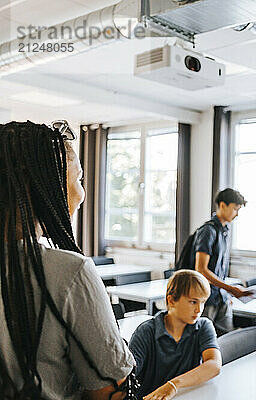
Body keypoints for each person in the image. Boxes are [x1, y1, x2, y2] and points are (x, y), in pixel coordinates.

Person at [0, 121, 135, 399]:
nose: (82, 194)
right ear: (47, 187)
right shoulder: (69, 272)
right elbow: (111, 392)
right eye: (79, 180)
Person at [129, 270, 221, 399]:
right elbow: (128, 377)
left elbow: (214, 365)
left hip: (184, 395)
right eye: (193, 302)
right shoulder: (146, 332)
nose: (199, 310)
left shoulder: (203, 326)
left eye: (203, 302)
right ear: (171, 300)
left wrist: (173, 385)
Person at [191, 188, 253, 335]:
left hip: (221, 297)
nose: (236, 214)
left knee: (226, 340)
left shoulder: (225, 231)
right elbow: (201, 270)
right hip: (206, 297)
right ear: (223, 205)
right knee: (202, 340)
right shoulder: (208, 231)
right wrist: (230, 289)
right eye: (235, 209)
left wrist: (226, 293)